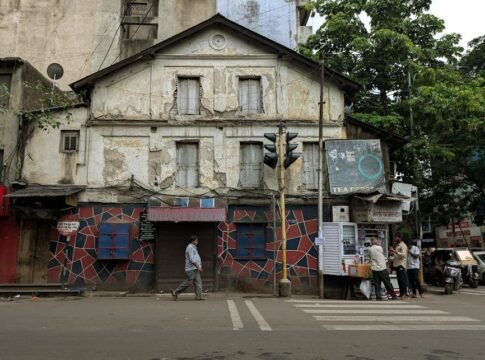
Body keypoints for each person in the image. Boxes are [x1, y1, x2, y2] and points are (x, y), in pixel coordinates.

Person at [172, 235, 204, 301]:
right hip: (191, 269)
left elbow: (195, 258)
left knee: (198, 282)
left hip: (195, 268)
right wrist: (198, 267)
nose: (197, 241)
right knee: (189, 282)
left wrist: (198, 266)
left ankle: (199, 297)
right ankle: (175, 292)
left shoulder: (193, 247)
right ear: (193, 241)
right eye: (196, 240)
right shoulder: (190, 248)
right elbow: (192, 260)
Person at [390, 233, 408, 298]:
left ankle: (404, 293)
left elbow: (403, 254)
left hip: (401, 264)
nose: (394, 239)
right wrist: (392, 253)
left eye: (396, 237)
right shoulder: (398, 245)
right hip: (397, 264)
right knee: (399, 280)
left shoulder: (403, 245)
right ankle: (401, 293)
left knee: (402, 280)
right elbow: (396, 255)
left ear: (399, 238)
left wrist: (394, 251)